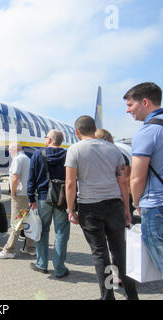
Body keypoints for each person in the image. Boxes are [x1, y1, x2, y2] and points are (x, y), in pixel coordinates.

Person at [65, 115, 138, 300]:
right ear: (94, 128)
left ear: (77, 132)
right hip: (114, 205)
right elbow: (123, 183)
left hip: (89, 207)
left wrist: (70, 210)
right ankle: (132, 295)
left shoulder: (74, 150)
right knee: (120, 252)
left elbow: (70, 184)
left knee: (100, 254)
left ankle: (108, 296)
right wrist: (127, 210)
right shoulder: (114, 150)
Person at [124, 82, 163, 276]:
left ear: (145, 102)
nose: (127, 110)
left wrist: (136, 202)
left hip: (156, 204)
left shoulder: (146, 132)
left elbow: (137, 178)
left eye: (130, 105)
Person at [27, 130, 70, 278]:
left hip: (43, 198)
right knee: (61, 232)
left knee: (42, 230)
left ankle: (41, 264)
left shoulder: (38, 154)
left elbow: (31, 178)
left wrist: (30, 198)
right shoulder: (67, 154)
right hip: (62, 199)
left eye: (45, 137)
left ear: (50, 139)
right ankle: (59, 268)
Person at [0, 143, 36, 259]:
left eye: (10, 150)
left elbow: (15, 178)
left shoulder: (18, 159)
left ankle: (9, 250)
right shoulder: (27, 159)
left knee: (16, 224)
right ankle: (30, 248)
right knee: (28, 222)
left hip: (20, 197)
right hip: (27, 195)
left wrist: (12, 193)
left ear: (16, 149)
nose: (9, 153)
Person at [95, 129, 140, 225]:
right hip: (113, 198)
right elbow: (125, 182)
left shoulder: (119, 153)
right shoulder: (117, 154)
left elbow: (126, 182)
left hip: (99, 200)